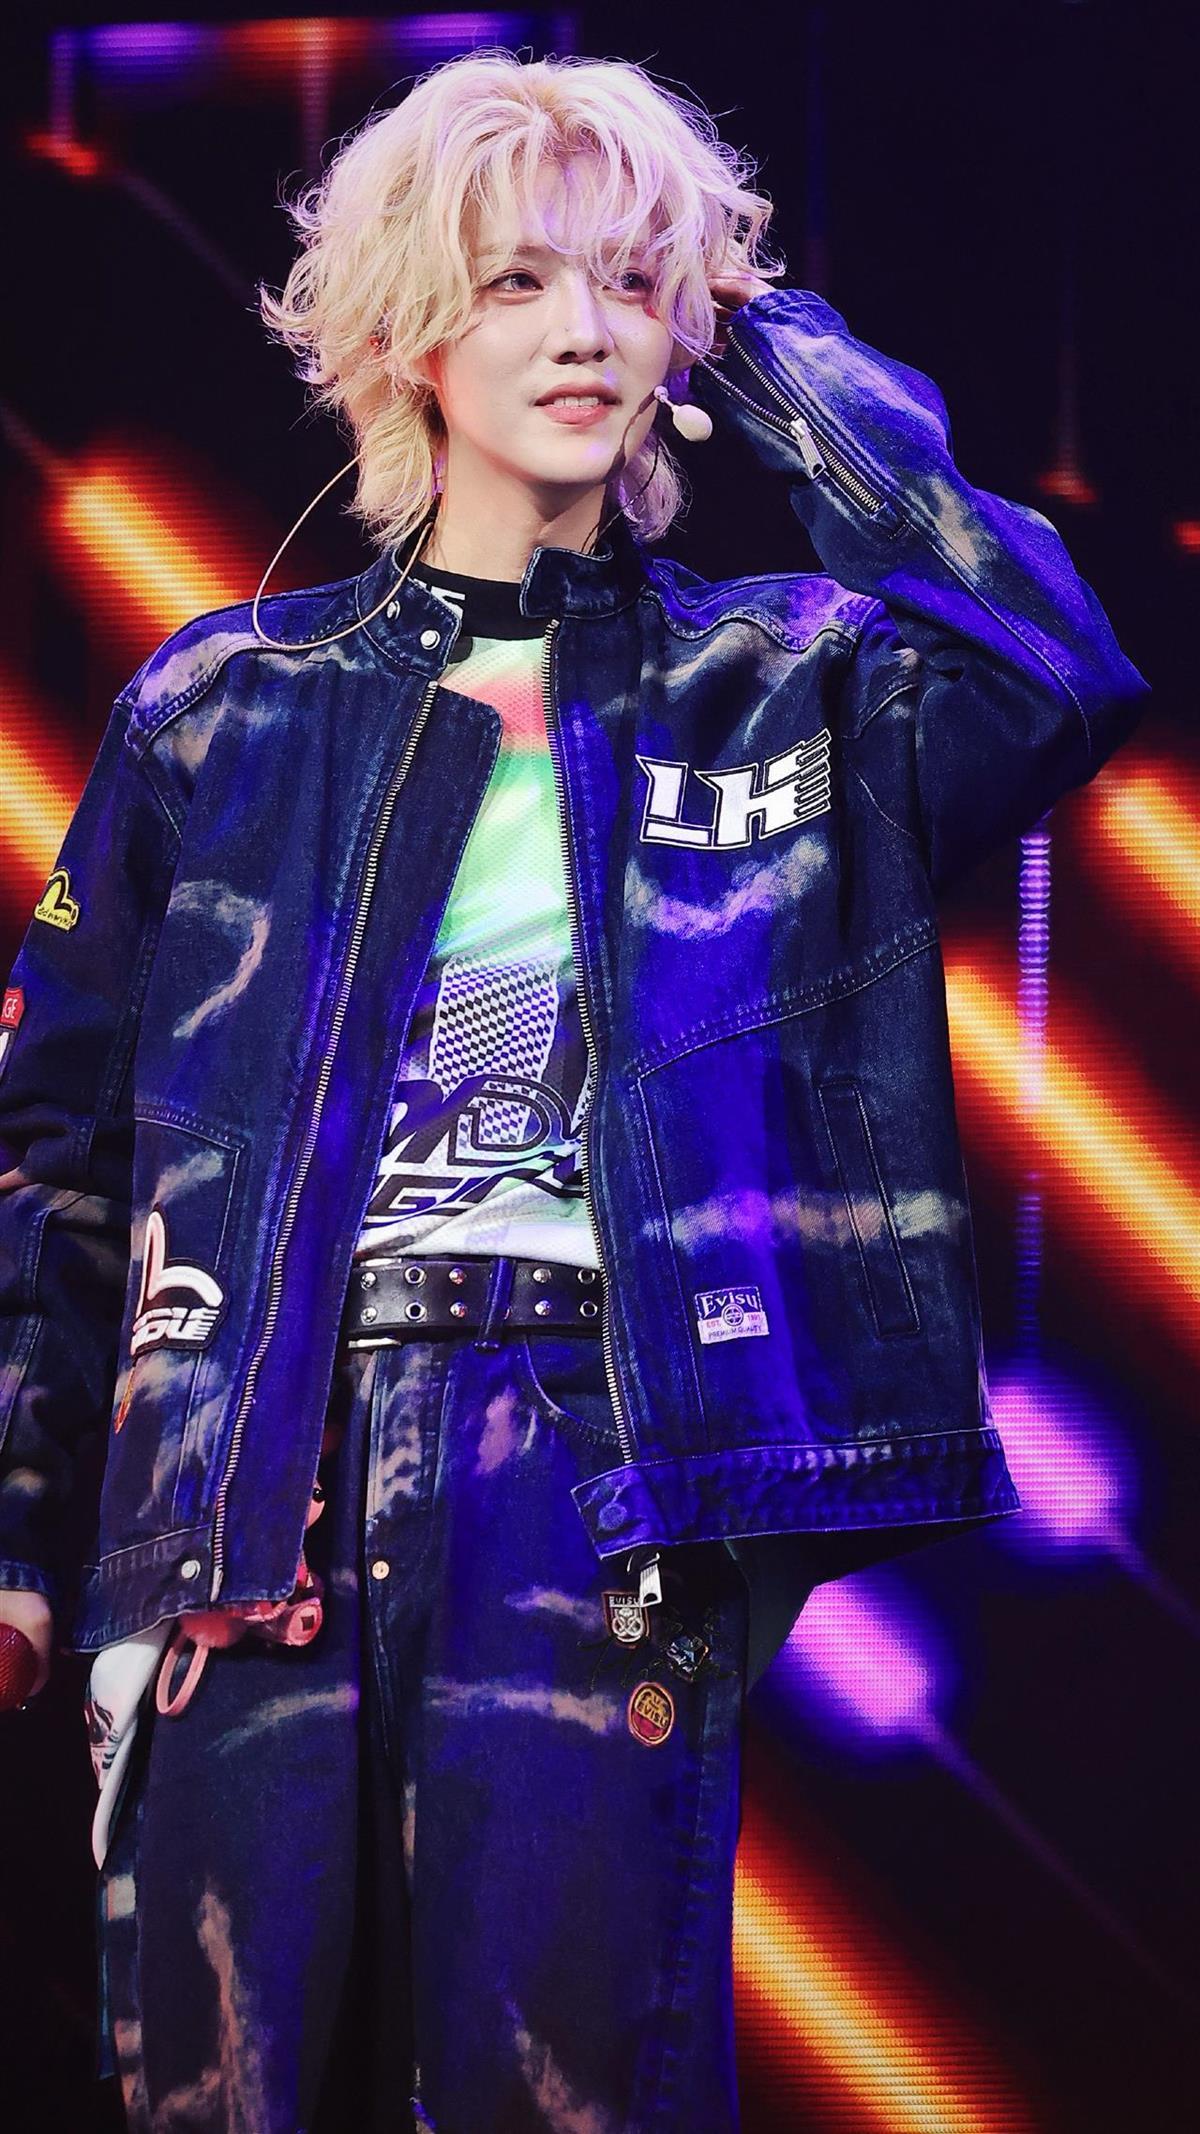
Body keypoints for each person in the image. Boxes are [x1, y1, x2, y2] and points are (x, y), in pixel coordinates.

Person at [0, 46, 1149, 2134]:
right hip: (257, 1462)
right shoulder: (222, 708)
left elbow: (1050, 670)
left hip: (593, 1450)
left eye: (632, 283)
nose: (586, 332)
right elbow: (56, 1152)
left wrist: (772, 349)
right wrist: (23, 1519)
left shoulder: (785, 680)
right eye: (519, 280)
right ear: (410, 330)